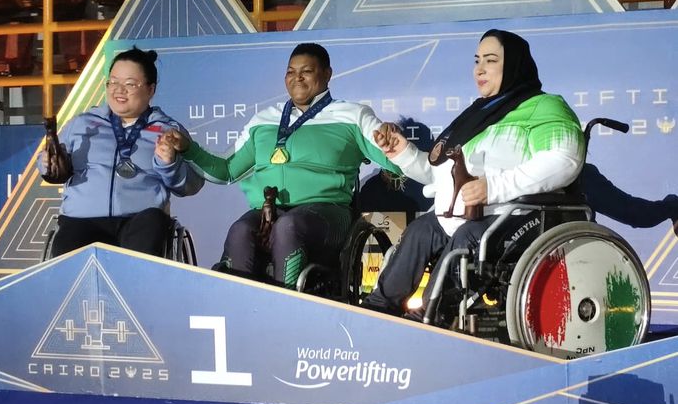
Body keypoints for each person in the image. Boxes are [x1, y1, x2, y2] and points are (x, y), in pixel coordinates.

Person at [361, 29, 586, 319]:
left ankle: (429, 317)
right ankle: (377, 310)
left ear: (514, 64)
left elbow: (565, 160)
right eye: (477, 60)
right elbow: (440, 176)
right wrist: (403, 152)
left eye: (491, 60)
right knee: (421, 229)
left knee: (468, 236)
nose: (480, 69)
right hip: (463, 214)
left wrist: (493, 187)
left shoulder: (544, 106)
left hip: (515, 215)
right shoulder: (477, 114)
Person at [161, 43, 401, 289]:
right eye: (290, 72)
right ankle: (238, 304)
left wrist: (393, 140)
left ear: (327, 74)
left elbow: (397, 161)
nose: (297, 78)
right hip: (269, 213)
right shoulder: (263, 120)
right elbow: (227, 171)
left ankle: (285, 303)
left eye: (306, 71)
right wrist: (189, 149)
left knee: (288, 226)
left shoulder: (353, 115)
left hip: (330, 214)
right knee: (240, 230)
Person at [38, 47, 204, 258]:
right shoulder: (82, 123)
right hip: (83, 221)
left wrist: (170, 165)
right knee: (68, 247)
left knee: (151, 225)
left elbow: (193, 183)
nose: (119, 90)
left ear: (150, 90)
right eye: (113, 82)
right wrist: (49, 164)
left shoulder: (168, 131)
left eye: (130, 84)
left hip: (138, 221)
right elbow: (51, 164)